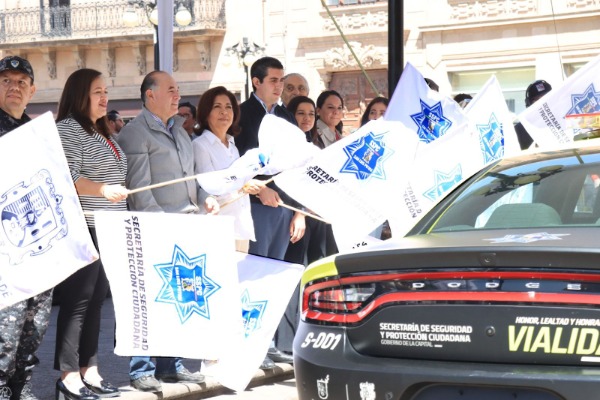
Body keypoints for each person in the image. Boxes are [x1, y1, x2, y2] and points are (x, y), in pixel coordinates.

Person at [117, 71, 214, 392]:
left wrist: (205, 198)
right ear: (150, 95)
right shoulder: (135, 133)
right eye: (171, 89)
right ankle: (141, 368)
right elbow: (140, 190)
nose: (177, 95)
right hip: (156, 228)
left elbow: (192, 177)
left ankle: (171, 365)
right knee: (147, 300)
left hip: (187, 226)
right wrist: (162, 228)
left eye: (178, 89)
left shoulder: (179, 130)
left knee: (178, 299)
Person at [54, 68, 127, 400]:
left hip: (109, 226)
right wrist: (102, 189)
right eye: (97, 91)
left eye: (106, 91)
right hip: (85, 225)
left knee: (97, 301)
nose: (104, 97)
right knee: (78, 301)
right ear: (80, 93)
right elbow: (68, 177)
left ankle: (90, 369)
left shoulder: (101, 130)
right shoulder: (68, 129)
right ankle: (68, 376)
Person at [235, 56, 298, 369]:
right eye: (273, 80)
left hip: (284, 207)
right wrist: (259, 188)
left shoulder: (285, 116)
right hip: (255, 206)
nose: (279, 86)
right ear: (256, 81)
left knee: (273, 277)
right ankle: (248, 345)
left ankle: (268, 343)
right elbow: (236, 161)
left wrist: (298, 211)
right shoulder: (243, 114)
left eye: (281, 80)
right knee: (254, 276)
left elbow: (298, 163)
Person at [0, 55, 51, 400]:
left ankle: (21, 384)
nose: (14, 87)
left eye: (21, 82)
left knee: (36, 321)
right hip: (5, 248)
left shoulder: (38, 134)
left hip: (37, 243)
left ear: (32, 91)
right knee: (6, 322)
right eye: (6, 80)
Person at [192, 86, 262, 253]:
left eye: (228, 107)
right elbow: (210, 187)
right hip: (219, 228)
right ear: (206, 113)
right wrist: (242, 186)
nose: (224, 112)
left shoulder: (232, 145)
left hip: (241, 226)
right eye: (217, 107)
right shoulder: (200, 145)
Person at [514, 79, 552, 149]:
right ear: (529, 104)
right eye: (537, 100)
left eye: (546, 98)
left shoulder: (566, 122)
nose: (543, 103)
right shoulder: (520, 130)